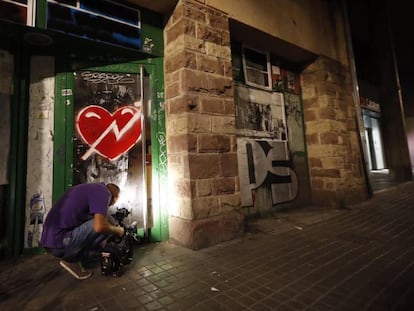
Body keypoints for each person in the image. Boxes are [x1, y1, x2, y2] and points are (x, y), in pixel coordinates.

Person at [40, 182, 124, 280]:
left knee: (106, 220)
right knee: (105, 223)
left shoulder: (93, 189)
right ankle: (71, 260)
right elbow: (98, 227)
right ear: (115, 198)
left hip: (51, 241)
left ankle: (86, 259)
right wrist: (117, 230)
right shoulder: (104, 193)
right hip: (60, 241)